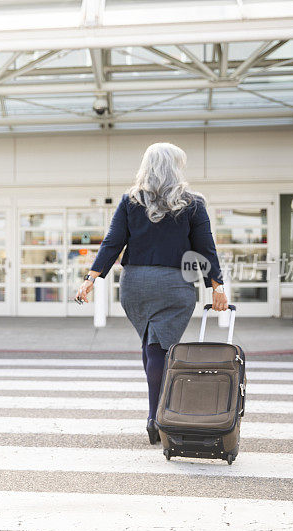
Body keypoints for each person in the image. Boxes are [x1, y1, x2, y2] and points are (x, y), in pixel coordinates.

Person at [74, 142, 227, 445]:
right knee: (159, 348)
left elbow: (112, 242)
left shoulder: (130, 201)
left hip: (136, 283)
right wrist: (216, 285)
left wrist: (92, 277)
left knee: (150, 345)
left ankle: (155, 414)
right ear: (175, 167)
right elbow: (205, 247)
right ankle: (157, 416)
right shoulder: (192, 203)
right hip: (175, 284)